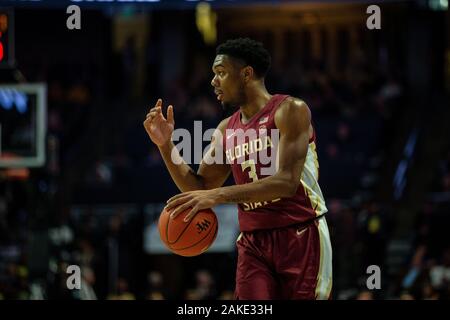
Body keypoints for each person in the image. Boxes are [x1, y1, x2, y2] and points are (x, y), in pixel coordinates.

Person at [143, 38, 332, 300]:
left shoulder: (290, 110)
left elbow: (286, 183)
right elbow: (200, 189)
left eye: (221, 73)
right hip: (253, 242)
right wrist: (165, 145)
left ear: (246, 74)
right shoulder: (225, 129)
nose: (213, 81)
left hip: (301, 233)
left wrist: (219, 196)